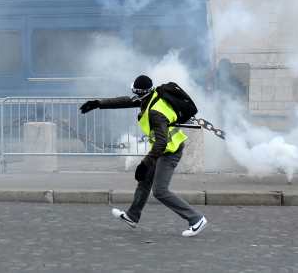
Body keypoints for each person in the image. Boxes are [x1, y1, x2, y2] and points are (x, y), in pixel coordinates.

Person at [79, 75, 207, 237]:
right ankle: (132, 216)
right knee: (144, 180)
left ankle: (196, 218)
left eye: (135, 92)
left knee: (160, 191)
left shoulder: (155, 113)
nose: (134, 95)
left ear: (140, 92)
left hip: (170, 151)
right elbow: (126, 101)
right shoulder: (150, 97)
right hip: (163, 149)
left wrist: (146, 163)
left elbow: (161, 143)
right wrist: (98, 104)